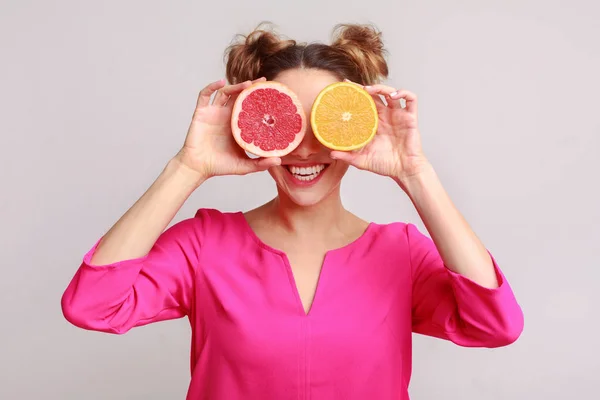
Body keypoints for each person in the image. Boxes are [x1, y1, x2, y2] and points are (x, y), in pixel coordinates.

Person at [61, 23, 524, 400]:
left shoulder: (399, 253)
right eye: (284, 122)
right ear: (254, 128)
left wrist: (415, 172)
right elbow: (92, 306)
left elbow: (497, 324)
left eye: (323, 123)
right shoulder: (204, 245)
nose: (303, 148)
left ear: (355, 129)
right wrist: (187, 167)